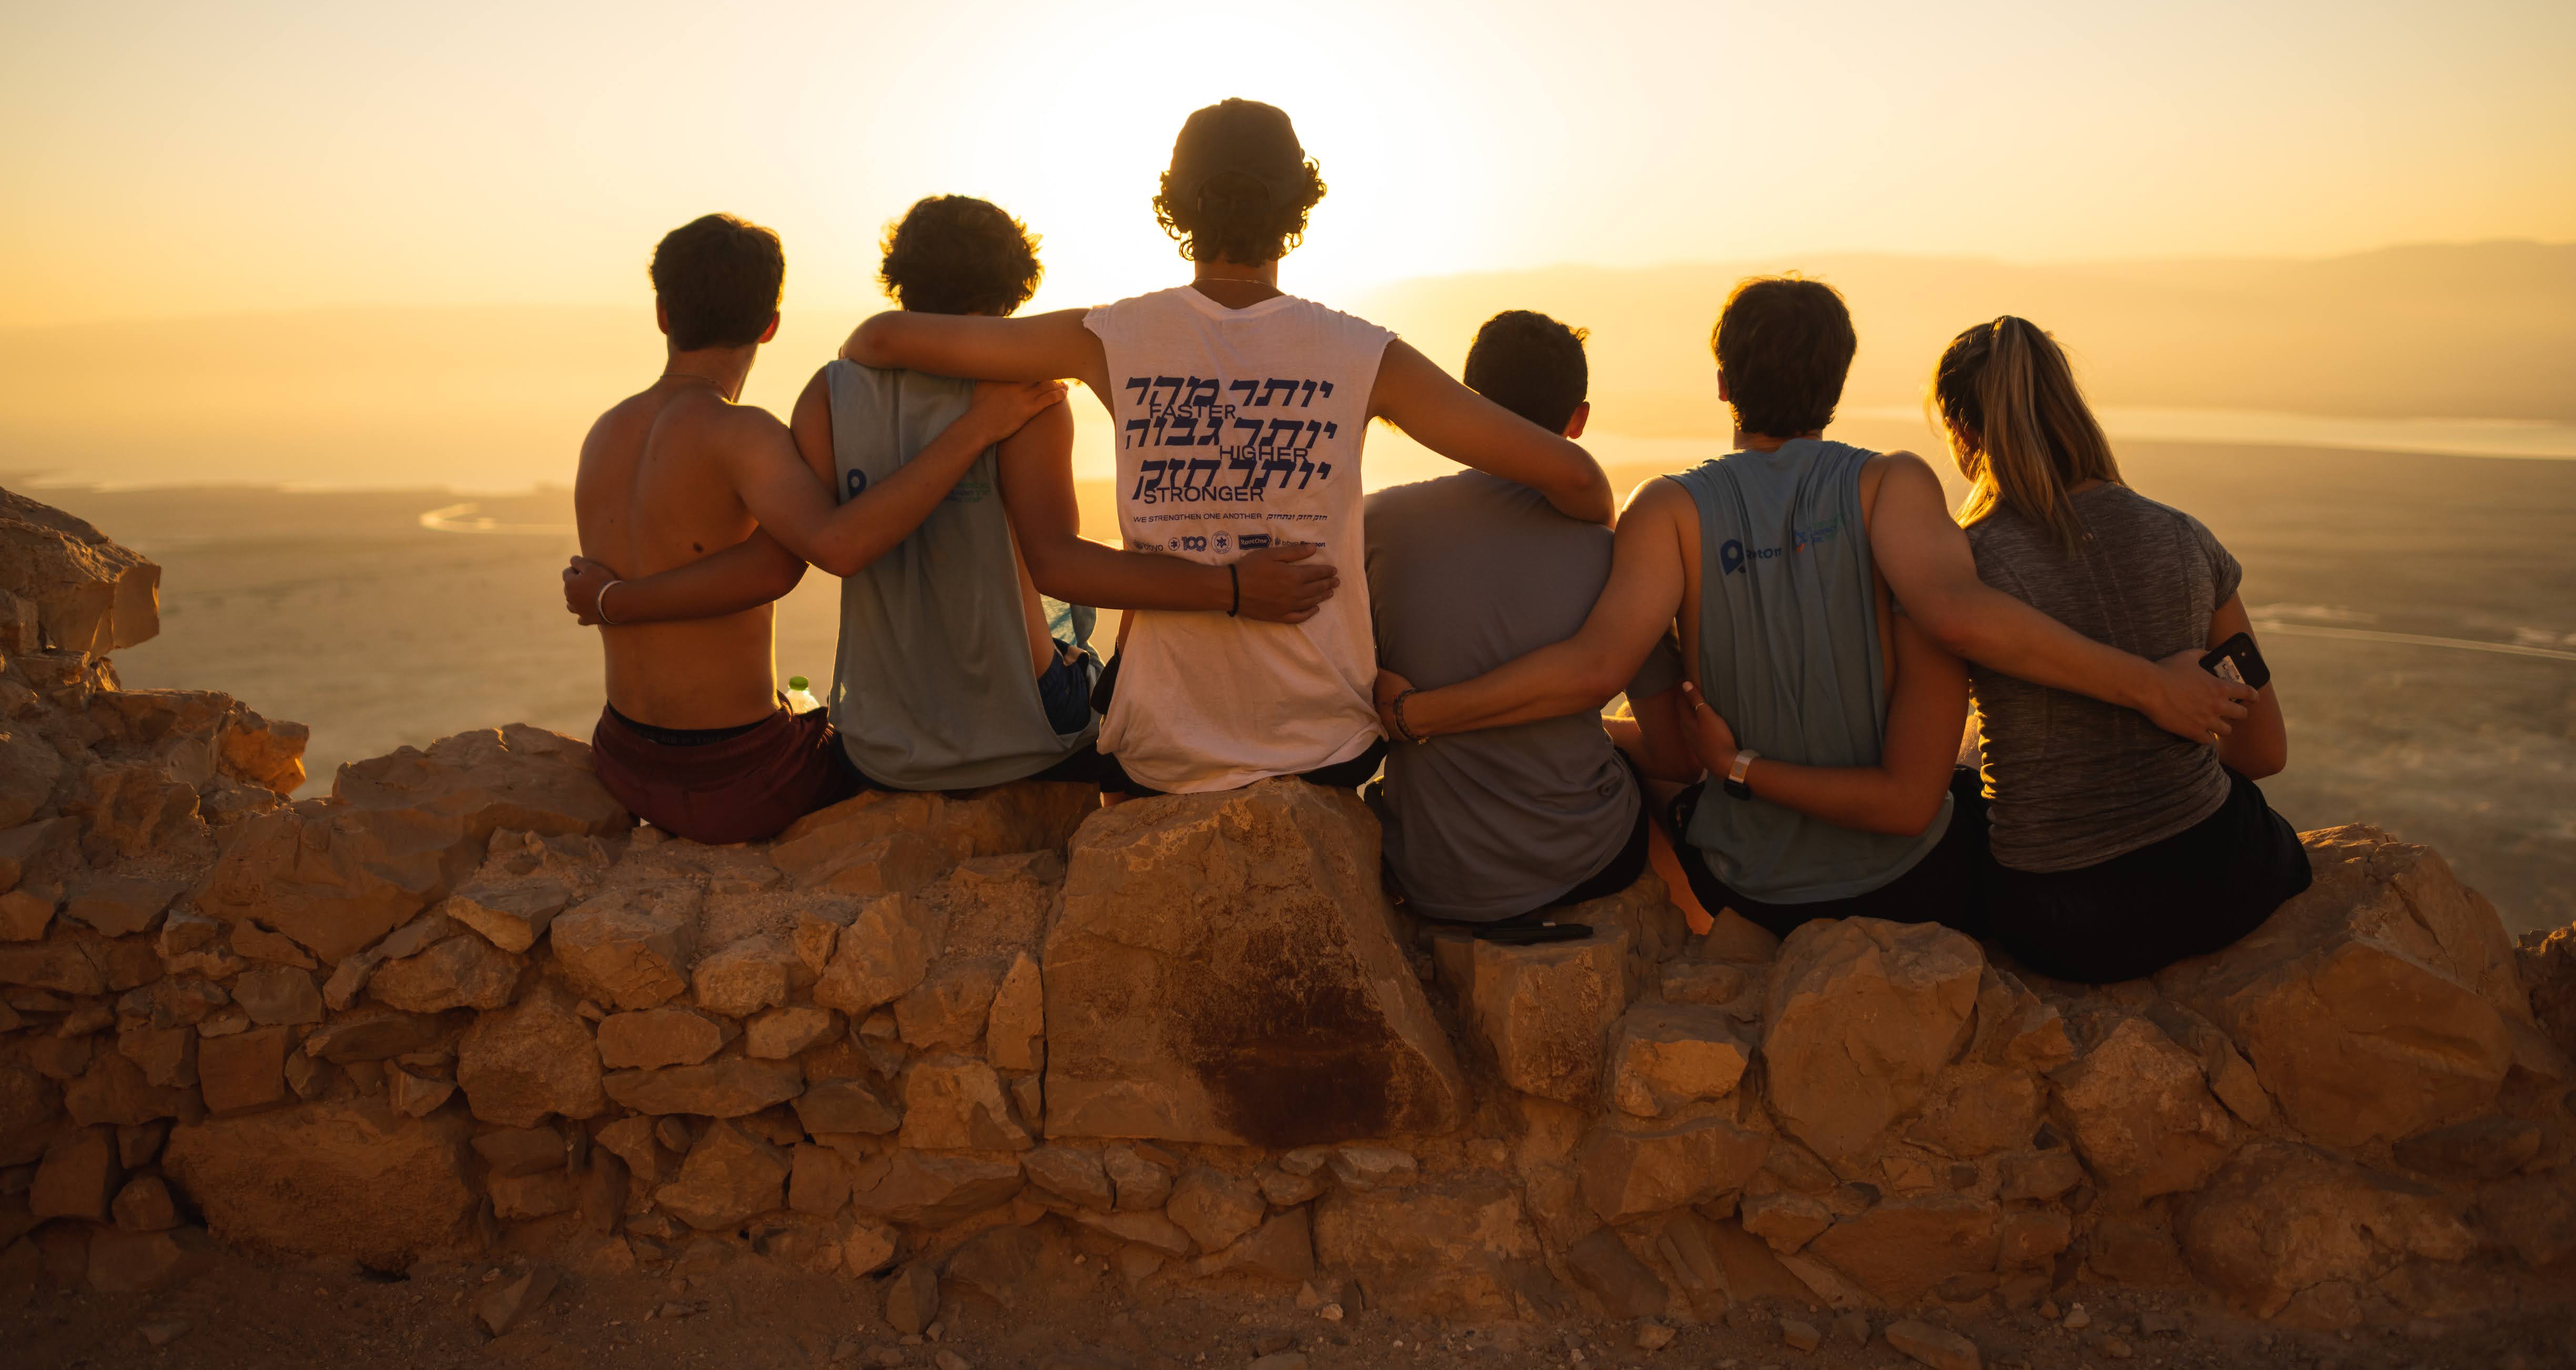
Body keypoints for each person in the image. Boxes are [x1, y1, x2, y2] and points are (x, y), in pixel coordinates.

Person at [1375, 275, 2256, 938]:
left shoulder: (1666, 510)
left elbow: (1595, 670)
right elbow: (1954, 613)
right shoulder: (1893, 486)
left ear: (1721, 384)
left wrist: (1424, 713)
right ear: (1838, 380)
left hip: (1741, 880)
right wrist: (2145, 684)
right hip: (1908, 878)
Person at [841, 98, 1615, 797]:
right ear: (1296, 208)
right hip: (1323, 746)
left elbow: (876, 339)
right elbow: (1578, 481)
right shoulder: (1366, 356)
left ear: (1176, 208)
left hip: (1160, 751)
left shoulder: (1107, 338)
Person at [566, 196, 1340, 795]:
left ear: (900, 283)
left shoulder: (828, 394)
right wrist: (1232, 587)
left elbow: (797, 556)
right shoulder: (1029, 394)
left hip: (878, 748)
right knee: (1089, 627)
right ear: (1012, 296)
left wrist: (614, 599)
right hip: (1024, 738)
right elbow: (1056, 565)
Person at [570, 211, 1064, 843]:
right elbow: (811, 553)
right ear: (770, 325)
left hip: (624, 755)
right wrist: (974, 429)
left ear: (663, 312)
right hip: (738, 776)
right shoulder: (743, 434)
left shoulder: (604, 432)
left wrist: (612, 601)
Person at [1931, 316, 2301, 982]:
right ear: (2071, 407)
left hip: (2067, 922)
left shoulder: (1963, 570)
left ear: (1964, 433)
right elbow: (2263, 753)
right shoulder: (2187, 540)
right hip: (2225, 883)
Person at [1362, 311, 1682, 926]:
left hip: (1428, 873)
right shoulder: (1611, 554)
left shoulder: (1377, 525)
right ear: (1577, 419)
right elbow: (1671, 752)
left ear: (1466, 402)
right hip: (1581, 863)